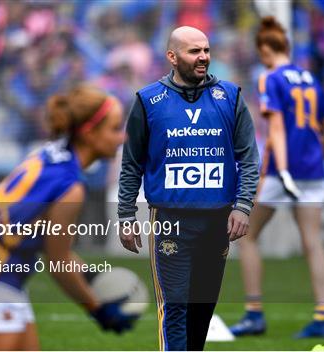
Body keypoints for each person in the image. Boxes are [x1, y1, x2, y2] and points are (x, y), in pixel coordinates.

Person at [0, 85, 131, 350]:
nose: (123, 138)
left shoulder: (50, 156)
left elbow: (55, 250)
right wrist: (98, 309)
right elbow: (57, 261)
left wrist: (90, 276)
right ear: (89, 132)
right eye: (116, 128)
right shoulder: (70, 187)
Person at [117, 26, 259, 351]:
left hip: (217, 223)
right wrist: (126, 213)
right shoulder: (148, 100)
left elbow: (249, 158)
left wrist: (242, 205)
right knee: (175, 307)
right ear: (172, 56)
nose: (203, 57)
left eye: (206, 50)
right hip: (170, 221)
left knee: (201, 312)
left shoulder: (231, 97)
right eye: (194, 51)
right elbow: (131, 164)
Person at [230, 17, 324, 339]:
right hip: (312, 172)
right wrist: (316, 158)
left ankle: (254, 314)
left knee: (246, 236)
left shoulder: (270, 78)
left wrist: (271, 171)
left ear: (265, 48)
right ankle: (323, 317)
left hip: (282, 171)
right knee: (313, 242)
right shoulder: (310, 79)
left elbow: (275, 128)